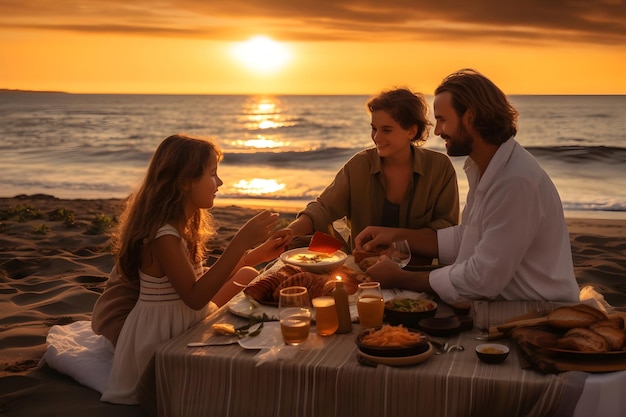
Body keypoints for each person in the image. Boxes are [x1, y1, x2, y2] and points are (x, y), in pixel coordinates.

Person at [355, 69, 580, 305]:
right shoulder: (485, 167)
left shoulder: (515, 181)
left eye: (442, 119)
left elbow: (481, 280)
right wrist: (397, 236)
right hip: (507, 303)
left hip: (536, 311)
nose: (438, 131)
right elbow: (469, 237)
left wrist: (402, 278)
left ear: (469, 117)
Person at [100, 133, 289, 404]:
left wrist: (255, 254)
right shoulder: (163, 235)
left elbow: (200, 279)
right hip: (163, 336)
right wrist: (240, 242)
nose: (220, 182)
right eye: (212, 174)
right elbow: (195, 296)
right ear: (185, 182)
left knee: (248, 274)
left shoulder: (178, 226)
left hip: (182, 316)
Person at [276, 87, 459, 261]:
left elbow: (446, 232)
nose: (377, 137)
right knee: (297, 246)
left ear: (411, 131)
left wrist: (395, 239)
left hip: (417, 268)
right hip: (364, 266)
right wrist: (291, 231)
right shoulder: (359, 165)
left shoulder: (439, 168)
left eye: (386, 130)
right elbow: (323, 209)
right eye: (374, 128)